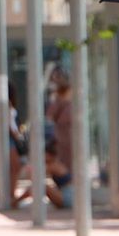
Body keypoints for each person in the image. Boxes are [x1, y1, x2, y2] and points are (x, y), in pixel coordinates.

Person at [43, 62, 73, 210]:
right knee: (62, 166)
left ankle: (71, 194)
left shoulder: (70, 98)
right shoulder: (57, 100)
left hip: (70, 140)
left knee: (68, 167)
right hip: (62, 140)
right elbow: (49, 116)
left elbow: (50, 116)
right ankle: (65, 193)